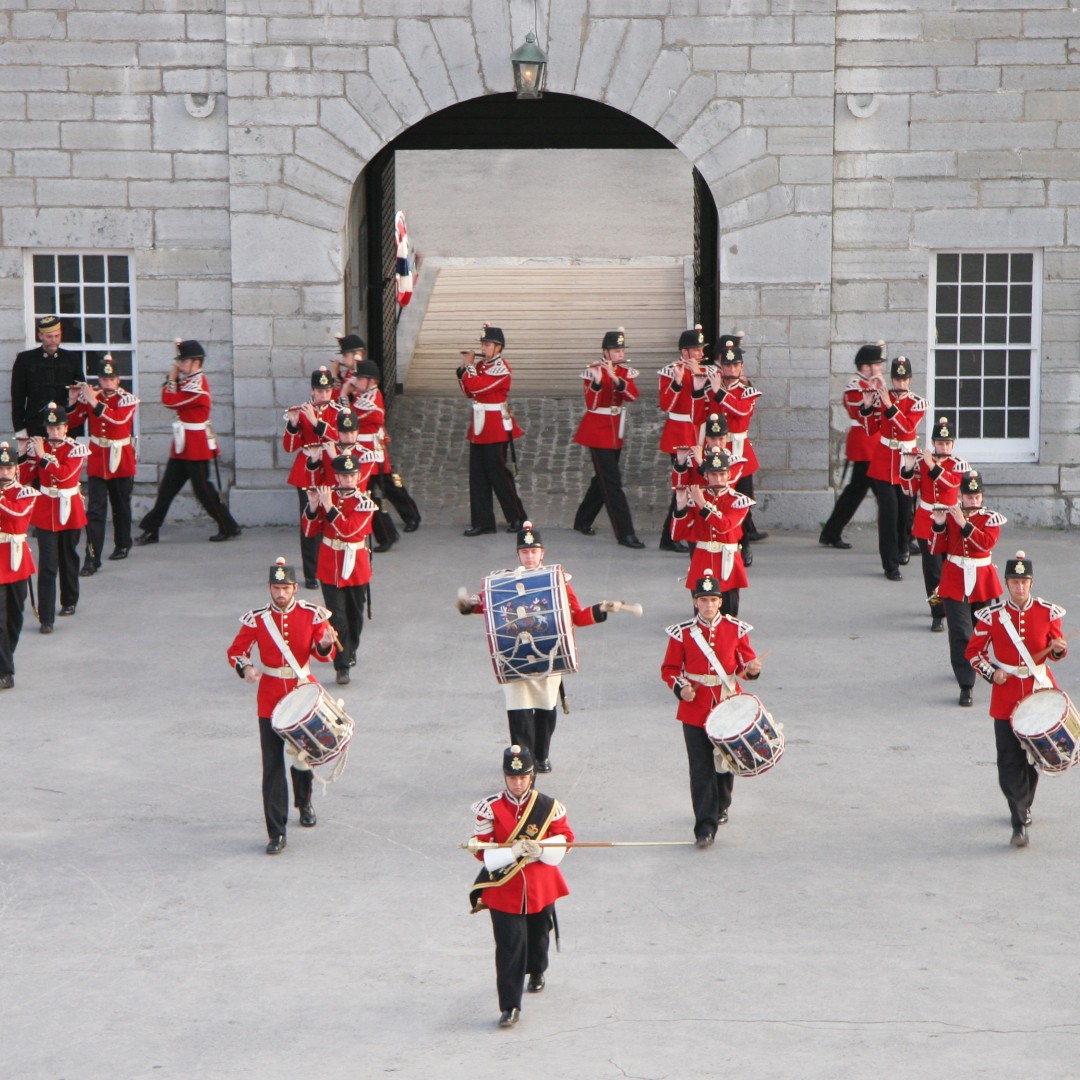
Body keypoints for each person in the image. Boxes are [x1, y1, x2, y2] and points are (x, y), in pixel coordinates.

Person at [457, 521, 618, 772]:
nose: (530, 556)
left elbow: (577, 616)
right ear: (518, 554)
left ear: (542, 553)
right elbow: (489, 608)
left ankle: (541, 755)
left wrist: (601, 609)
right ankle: (524, 761)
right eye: (525, 552)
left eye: (534, 551)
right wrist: (467, 604)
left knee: (546, 709)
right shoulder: (505, 582)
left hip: (549, 654)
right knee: (518, 711)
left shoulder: (558, 581)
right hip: (515, 655)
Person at [226, 557, 337, 854]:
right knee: (272, 766)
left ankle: (305, 802)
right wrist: (247, 668)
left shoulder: (313, 615)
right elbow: (237, 651)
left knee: (303, 757)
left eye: (285, 588)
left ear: (295, 588)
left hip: (302, 693)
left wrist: (326, 642)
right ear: (269, 588)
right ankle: (276, 831)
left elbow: (321, 650)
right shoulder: (257, 618)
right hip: (270, 697)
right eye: (276, 588)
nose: (280, 594)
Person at [965, 551, 1068, 847]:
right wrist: (991, 672)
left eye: (1023, 581)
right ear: (1006, 583)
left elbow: (1056, 651)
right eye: (1013, 581)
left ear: (1031, 582)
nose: (1019, 587)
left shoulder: (1048, 613)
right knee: (1008, 759)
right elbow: (974, 652)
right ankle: (1018, 819)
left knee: (1035, 758)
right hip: (1006, 695)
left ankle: (1023, 802)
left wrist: (1058, 650)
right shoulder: (992, 616)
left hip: (1039, 693)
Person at [469, 743, 573, 1029]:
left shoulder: (548, 807)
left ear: (532, 777)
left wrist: (542, 849)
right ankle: (510, 1006)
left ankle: (537, 969)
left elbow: (565, 838)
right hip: (504, 885)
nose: (517, 783)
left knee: (540, 933)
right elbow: (482, 850)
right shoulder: (489, 808)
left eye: (523, 777)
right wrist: (513, 853)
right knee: (509, 945)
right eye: (512, 778)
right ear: (505, 777)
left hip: (540, 883)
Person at [660, 569, 762, 847]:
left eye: (713, 600)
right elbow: (669, 669)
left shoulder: (735, 628)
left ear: (720, 601)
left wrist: (752, 670)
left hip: (728, 706)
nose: (708, 605)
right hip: (696, 709)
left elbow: (745, 663)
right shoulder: (682, 633)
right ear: (695, 602)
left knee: (726, 763)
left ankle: (722, 804)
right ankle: (704, 827)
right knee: (701, 768)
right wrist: (681, 687)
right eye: (702, 600)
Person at [136, 340, 242, 545]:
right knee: (167, 489)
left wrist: (172, 379)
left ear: (196, 362)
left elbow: (170, 400)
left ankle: (228, 526)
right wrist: (174, 380)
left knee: (204, 491)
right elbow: (173, 396)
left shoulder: (198, 386)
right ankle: (152, 529)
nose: (179, 364)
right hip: (183, 444)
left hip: (196, 446)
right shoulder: (188, 382)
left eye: (183, 360)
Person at [928, 471, 1006, 707]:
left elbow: (985, 543)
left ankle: (980, 664)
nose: (973, 502)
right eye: (969, 497)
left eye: (977, 497)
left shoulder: (991, 519)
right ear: (961, 496)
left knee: (980, 630)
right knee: (960, 632)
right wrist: (940, 524)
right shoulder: (952, 515)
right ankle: (966, 685)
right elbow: (935, 548)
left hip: (982, 580)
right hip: (955, 579)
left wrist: (963, 524)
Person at [301, 454, 377, 686]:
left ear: (357, 476)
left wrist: (328, 506)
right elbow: (309, 531)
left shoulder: (364, 502)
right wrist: (313, 507)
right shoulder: (328, 497)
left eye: (352, 475)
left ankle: (351, 648)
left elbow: (348, 531)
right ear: (336, 476)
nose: (347, 480)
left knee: (355, 615)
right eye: (343, 476)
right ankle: (341, 665)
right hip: (330, 566)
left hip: (355, 566)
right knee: (337, 618)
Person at [67, 355, 139, 574]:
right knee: (96, 511)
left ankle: (123, 542)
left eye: (111, 378)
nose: (107, 382)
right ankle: (92, 558)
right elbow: (72, 423)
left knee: (120, 506)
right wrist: (73, 401)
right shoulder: (92, 398)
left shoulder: (127, 398)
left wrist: (93, 401)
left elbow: (118, 420)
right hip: (99, 459)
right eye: (104, 378)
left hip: (121, 458)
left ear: (118, 380)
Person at [571, 328, 644, 548]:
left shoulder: (624, 372)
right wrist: (597, 381)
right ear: (605, 351)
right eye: (616, 350)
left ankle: (582, 520)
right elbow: (591, 404)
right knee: (612, 482)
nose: (620, 354)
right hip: (596, 431)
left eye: (622, 350)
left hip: (615, 431)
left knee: (602, 478)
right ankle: (625, 533)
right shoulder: (592, 370)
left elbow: (632, 396)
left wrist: (616, 378)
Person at [340, 356, 420, 551]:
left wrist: (343, 394)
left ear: (371, 381)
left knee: (387, 489)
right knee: (373, 494)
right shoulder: (363, 396)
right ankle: (388, 533)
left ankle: (401, 523)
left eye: (360, 379)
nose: (356, 382)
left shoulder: (371, 399)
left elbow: (349, 417)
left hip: (371, 455)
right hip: (365, 453)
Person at [456, 324, 526, 536]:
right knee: (477, 475)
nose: (483, 348)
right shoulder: (480, 366)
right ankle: (483, 521)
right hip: (480, 424)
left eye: (487, 345)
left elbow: (478, 386)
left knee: (499, 475)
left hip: (495, 425)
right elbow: (468, 391)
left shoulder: (501, 368)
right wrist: (463, 370)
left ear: (498, 348)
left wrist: (468, 368)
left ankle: (517, 517)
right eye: (483, 344)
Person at [900, 416, 968, 632]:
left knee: (952, 567)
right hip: (926, 521)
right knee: (932, 570)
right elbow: (909, 491)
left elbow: (950, 484)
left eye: (948, 444)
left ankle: (953, 607)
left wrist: (930, 464)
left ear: (953, 445)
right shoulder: (922, 462)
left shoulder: (958, 464)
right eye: (940, 443)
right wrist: (908, 469)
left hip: (952, 521)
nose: (944, 447)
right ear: (933, 444)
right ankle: (937, 613)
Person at [25, 402, 88, 633]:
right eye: (50, 429)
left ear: (65, 427)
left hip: (69, 509)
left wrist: (41, 457)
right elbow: (26, 475)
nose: (54, 433)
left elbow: (64, 475)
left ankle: (69, 600)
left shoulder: (75, 449)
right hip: (45, 511)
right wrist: (23, 455)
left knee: (68, 557)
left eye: (58, 428)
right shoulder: (40, 448)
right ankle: (46, 617)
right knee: (48, 564)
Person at [819, 341, 886, 549]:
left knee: (855, 492)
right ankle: (903, 538)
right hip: (866, 445)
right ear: (866, 367)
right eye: (877, 364)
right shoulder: (856, 387)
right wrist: (879, 389)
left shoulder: (869, 385)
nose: (881, 368)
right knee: (886, 497)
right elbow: (866, 413)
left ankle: (831, 532)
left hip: (872, 444)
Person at [671, 450, 753, 617]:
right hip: (702, 559)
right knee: (702, 616)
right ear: (706, 475)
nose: (718, 479)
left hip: (727, 562)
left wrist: (702, 503)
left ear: (729, 474)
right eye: (714, 474)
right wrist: (681, 506)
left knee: (729, 617)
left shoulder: (738, 501)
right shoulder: (696, 498)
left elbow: (724, 525)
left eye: (722, 474)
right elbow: (678, 534)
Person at [866, 356, 926, 580]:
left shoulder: (917, 402)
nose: (900, 383)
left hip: (907, 461)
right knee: (888, 515)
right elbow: (871, 428)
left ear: (910, 380)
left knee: (905, 512)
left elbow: (906, 428)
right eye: (897, 379)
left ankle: (903, 546)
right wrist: (867, 405)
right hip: (884, 461)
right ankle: (890, 565)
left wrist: (889, 406)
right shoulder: (884, 398)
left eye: (904, 379)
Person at [283, 366, 342, 587]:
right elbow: (289, 447)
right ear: (312, 390)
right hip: (307, 471)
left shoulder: (337, 412)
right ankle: (310, 572)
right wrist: (293, 423)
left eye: (327, 391)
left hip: (329, 468)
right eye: (319, 391)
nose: (324, 395)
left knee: (329, 518)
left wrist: (317, 424)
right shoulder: (302, 410)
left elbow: (340, 437)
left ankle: (329, 565)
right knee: (309, 518)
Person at [710, 331, 767, 560]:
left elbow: (742, 412)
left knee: (742, 502)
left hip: (741, 452)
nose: (732, 370)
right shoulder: (711, 389)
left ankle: (743, 547)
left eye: (736, 366)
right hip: (717, 451)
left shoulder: (748, 390)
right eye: (728, 366)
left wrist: (719, 393)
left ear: (741, 367)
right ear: (721, 367)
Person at [656, 326, 711, 553]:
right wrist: (678, 382)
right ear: (684, 352)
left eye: (701, 349)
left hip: (699, 432)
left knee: (694, 484)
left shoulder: (706, 370)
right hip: (679, 432)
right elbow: (665, 405)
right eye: (695, 349)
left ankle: (681, 532)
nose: (699, 353)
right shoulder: (670, 371)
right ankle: (670, 535)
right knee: (683, 484)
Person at [0, 441, 39, 688]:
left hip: (16, 559)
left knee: (15, 616)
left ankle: (6, 657)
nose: (4, 473)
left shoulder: (26, 493)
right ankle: (6, 671)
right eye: (0, 469)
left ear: (16, 470)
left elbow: (17, 516)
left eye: (8, 468)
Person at [10, 315, 85, 439]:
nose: (54, 340)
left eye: (57, 336)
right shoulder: (25, 359)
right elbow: (17, 397)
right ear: (40, 336)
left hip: (64, 424)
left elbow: (81, 393)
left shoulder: (72, 359)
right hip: (36, 424)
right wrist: (19, 427)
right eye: (49, 337)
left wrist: (75, 424)